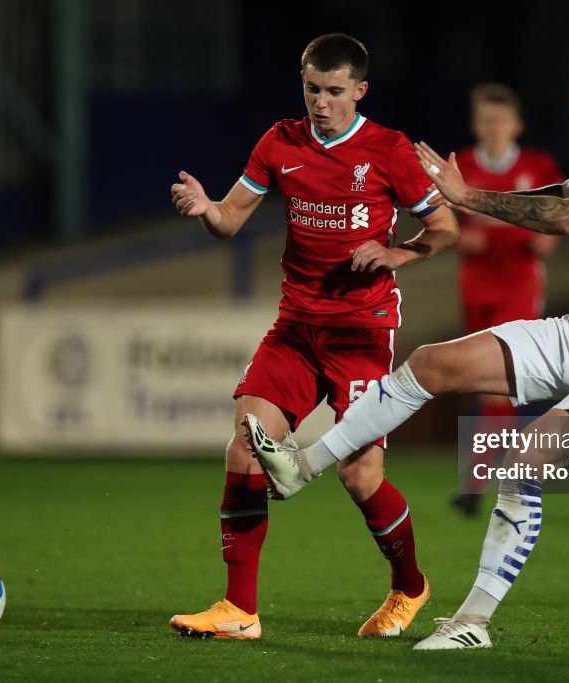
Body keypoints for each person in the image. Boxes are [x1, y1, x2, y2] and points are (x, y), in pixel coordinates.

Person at [244, 42, 569, 650]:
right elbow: (561, 199)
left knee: (522, 466)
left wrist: (467, 197)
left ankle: (472, 624)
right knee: (432, 363)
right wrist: (466, 191)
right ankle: (301, 468)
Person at [167, 33, 458, 640]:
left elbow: (445, 227)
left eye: (332, 91)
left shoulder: (388, 150)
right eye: (311, 89)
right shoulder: (281, 141)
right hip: (296, 328)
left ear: (359, 90)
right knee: (246, 444)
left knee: (360, 475)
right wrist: (205, 209)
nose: (320, 102)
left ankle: (410, 586)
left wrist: (394, 253)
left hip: (362, 333)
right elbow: (231, 218)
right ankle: (239, 610)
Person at [450, 83, 565, 516]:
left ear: (516, 125)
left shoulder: (537, 168)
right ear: (475, 124)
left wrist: (547, 241)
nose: (493, 128)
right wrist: (461, 236)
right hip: (476, 286)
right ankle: (518, 476)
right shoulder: (460, 171)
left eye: (500, 120)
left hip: (519, 284)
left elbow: (559, 218)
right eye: (485, 120)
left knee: (500, 385)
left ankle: (477, 484)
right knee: (488, 385)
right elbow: (441, 219)